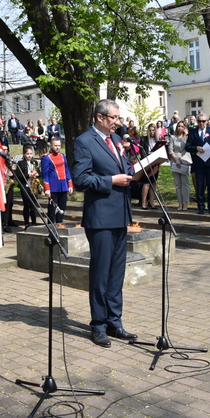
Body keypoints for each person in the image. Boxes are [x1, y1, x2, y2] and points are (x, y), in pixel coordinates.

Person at [72, 99, 136, 348]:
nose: (118, 122)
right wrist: (111, 180)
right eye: (114, 118)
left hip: (120, 215)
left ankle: (114, 321)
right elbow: (81, 179)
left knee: (117, 272)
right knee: (101, 273)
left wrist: (142, 170)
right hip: (100, 217)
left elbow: (126, 168)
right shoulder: (84, 141)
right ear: (100, 117)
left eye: (119, 118)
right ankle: (98, 325)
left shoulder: (118, 141)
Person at [186, 113, 210, 215]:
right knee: (200, 187)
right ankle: (200, 207)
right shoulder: (193, 132)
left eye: (203, 121)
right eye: (199, 121)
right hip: (199, 163)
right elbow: (187, 146)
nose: (201, 123)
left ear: (207, 121)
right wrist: (196, 148)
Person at [40, 137, 73, 223]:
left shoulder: (63, 156)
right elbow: (45, 174)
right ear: (51, 145)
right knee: (52, 210)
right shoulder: (46, 157)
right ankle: (51, 229)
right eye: (55, 145)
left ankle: (60, 226)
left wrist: (70, 185)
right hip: (53, 187)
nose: (57, 147)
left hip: (63, 186)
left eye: (59, 145)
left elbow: (67, 171)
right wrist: (47, 189)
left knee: (62, 209)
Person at [15, 145, 40, 228]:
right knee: (26, 205)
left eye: (31, 154)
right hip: (25, 186)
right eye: (27, 154)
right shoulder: (20, 163)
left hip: (33, 186)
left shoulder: (35, 162)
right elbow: (18, 175)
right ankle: (26, 223)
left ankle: (34, 223)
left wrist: (37, 174)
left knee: (34, 206)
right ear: (24, 154)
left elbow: (40, 173)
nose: (29, 155)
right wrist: (29, 175)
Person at [168, 121, 190, 210]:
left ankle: (185, 202)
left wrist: (187, 134)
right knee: (177, 184)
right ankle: (180, 203)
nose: (180, 128)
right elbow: (170, 150)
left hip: (185, 160)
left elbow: (189, 145)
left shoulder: (187, 137)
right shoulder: (173, 137)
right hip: (175, 161)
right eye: (179, 126)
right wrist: (176, 159)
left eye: (182, 126)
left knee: (185, 184)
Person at [139, 123, 161, 209]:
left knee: (153, 182)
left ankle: (152, 202)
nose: (152, 132)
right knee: (146, 183)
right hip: (147, 163)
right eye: (150, 130)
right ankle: (144, 202)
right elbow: (142, 151)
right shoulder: (144, 139)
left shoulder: (157, 140)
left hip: (155, 163)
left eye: (153, 130)